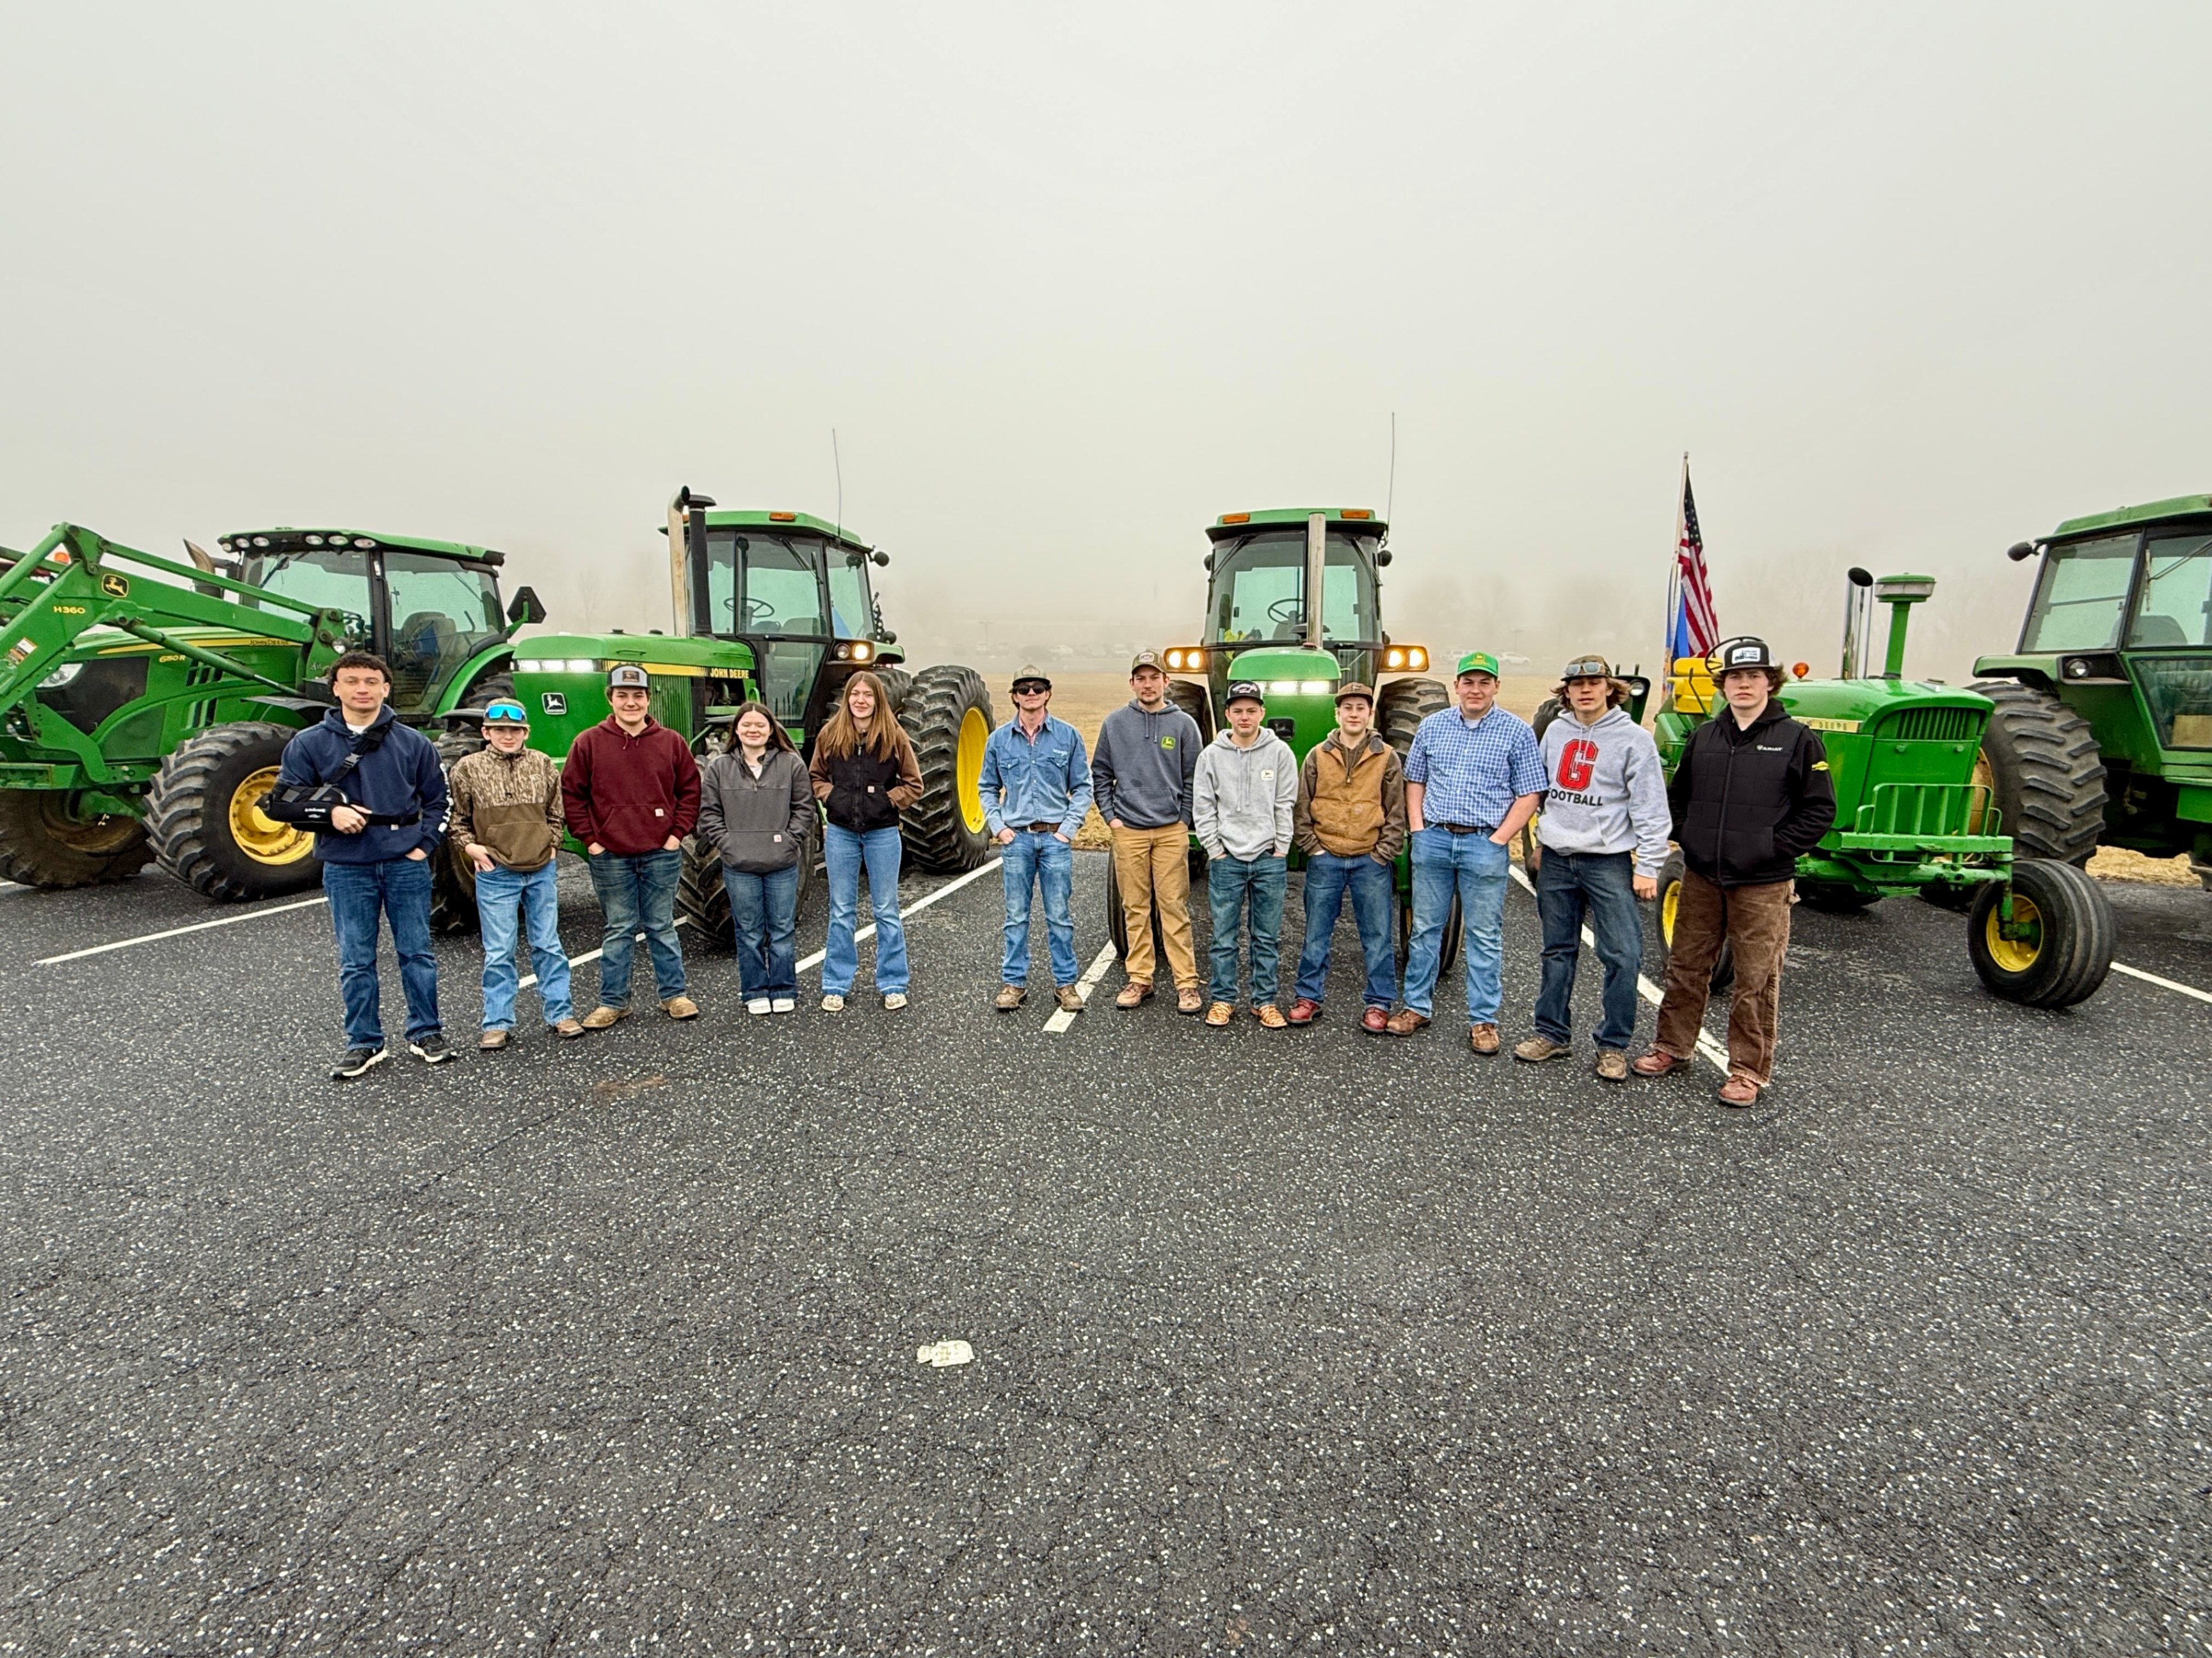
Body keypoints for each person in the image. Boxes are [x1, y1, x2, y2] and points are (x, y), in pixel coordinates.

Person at [1633, 637, 1836, 1106]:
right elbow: (1678, 797)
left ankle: (1747, 1070)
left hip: (1762, 884)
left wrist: (1771, 849)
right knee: (1686, 966)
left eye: (1753, 676)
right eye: (1735, 677)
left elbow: (1819, 809)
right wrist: (1691, 838)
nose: (1743, 685)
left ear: (1770, 682)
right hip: (1703, 875)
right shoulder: (1706, 736)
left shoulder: (1798, 739)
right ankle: (1672, 1046)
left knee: (1755, 979)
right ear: (1723, 685)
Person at [276, 650, 454, 1078]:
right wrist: (330, 813)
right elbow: (282, 801)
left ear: (386, 689)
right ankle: (365, 1042)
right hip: (347, 866)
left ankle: (426, 1032)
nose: (362, 689)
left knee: (417, 952)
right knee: (356, 958)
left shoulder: (413, 743)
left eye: (371, 682)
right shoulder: (309, 743)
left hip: (404, 864)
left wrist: (423, 846)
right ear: (335, 688)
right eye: (352, 681)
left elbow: (439, 800)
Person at [1513, 655, 1670, 1081]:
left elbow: (1651, 808)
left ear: (1609, 689)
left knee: (1623, 954)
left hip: (1608, 862)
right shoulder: (1556, 732)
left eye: (1594, 683)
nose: (1585, 690)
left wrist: (1649, 866)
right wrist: (1541, 842)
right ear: (1566, 692)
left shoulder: (1634, 740)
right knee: (1557, 950)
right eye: (1576, 684)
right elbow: (1542, 792)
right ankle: (1552, 1033)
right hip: (1558, 859)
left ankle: (1613, 1045)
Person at [1391, 650, 1547, 1050]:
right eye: (1469, 682)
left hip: (1484, 842)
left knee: (1484, 934)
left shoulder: (1516, 732)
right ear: (1457, 686)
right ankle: (1416, 1006)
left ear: (1496, 686)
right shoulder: (1433, 726)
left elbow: (1530, 793)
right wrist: (1418, 829)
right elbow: (1415, 780)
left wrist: (1500, 838)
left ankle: (1483, 1021)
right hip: (1435, 839)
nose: (1475, 689)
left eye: (1484, 682)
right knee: (1425, 928)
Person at [561, 664, 702, 1027]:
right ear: (610, 699)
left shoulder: (671, 742)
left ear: (648, 699)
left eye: (638, 695)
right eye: (622, 695)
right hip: (610, 855)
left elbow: (690, 791)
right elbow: (572, 795)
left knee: (661, 926)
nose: (630, 702)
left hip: (661, 852)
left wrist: (676, 835)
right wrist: (590, 841)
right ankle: (613, 1002)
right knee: (619, 928)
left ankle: (674, 995)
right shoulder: (588, 743)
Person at [447, 698, 585, 1049]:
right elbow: (457, 819)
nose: (507, 736)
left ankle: (561, 1014)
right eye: (500, 730)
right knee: (499, 951)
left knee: (548, 945)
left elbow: (556, 811)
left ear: (526, 732)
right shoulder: (468, 769)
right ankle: (497, 1023)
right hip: (496, 872)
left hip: (540, 869)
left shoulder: (542, 764)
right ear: (486, 733)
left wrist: (553, 843)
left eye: (515, 730)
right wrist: (470, 847)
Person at [1288, 682, 1406, 1033]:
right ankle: (1308, 997)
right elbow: (1302, 805)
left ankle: (1378, 1003)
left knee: (1378, 937)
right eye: (1348, 708)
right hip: (1326, 858)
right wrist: (1313, 847)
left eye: (1361, 708)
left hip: (1370, 860)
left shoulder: (1386, 757)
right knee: (1316, 934)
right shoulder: (1317, 756)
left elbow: (1396, 810)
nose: (1354, 714)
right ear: (1337, 713)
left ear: (1370, 714)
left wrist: (1383, 854)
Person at [1091, 650, 1204, 1014]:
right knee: (1135, 908)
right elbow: (1100, 774)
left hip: (1171, 830)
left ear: (1166, 682)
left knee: (1174, 907)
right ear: (1132, 683)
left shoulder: (1184, 725)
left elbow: (1194, 777)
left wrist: (1184, 819)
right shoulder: (1115, 724)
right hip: (1130, 831)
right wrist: (1112, 818)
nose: (1148, 684)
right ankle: (1140, 978)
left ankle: (1186, 984)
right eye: (1141, 678)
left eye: (1154, 677)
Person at [981, 665, 1094, 1013]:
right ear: (1014, 696)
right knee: (1016, 916)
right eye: (1024, 688)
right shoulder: (998, 740)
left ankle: (1066, 984)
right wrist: (999, 827)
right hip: (1017, 840)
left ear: (1048, 693)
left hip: (1054, 840)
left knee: (1059, 916)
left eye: (1038, 688)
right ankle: (1014, 984)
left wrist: (1067, 830)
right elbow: (987, 787)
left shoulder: (1068, 736)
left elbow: (1083, 787)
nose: (1031, 693)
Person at [810, 671, 924, 1012]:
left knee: (886, 910)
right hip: (841, 834)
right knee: (841, 910)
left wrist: (888, 801)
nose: (861, 700)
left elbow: (914, 784)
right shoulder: (831, 734)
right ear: (847, 698)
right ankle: (836, 984)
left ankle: (893, 982)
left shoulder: (894, 736)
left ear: (878, 699)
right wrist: (833, 797)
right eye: (855, 694)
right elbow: (815, 777)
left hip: (883, 835)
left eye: (868, 694)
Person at [696, 700, 813, 1016]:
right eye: (746, 724)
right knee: (748, 931)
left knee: (782, 929)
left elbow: (804, 809)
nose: (753, 730)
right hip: (739, 865)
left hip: (781, 863)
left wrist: (789, 841)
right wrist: (728, 844)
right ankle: (755, 990)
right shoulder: (719, 768)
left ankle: (784, 988)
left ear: (771, 730)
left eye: (760, 725)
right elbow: (709, 814)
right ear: (736, 730)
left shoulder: (791, 765)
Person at [1193, 681, 1299, 1028]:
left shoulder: (1279, 753)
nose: (1245, 717)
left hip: (1268, 857)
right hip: (1228, 859)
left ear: (1262, 713)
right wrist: (1215, 849)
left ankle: (1264, 1001)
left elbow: (1285, 802)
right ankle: (1223, 1000)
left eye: (1251, 710)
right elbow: (1203, 807)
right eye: (1238, 711)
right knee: (1224, 937)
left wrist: (1281, 847)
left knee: (1266, 937)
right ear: (1227, 714)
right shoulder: (1211, 756)